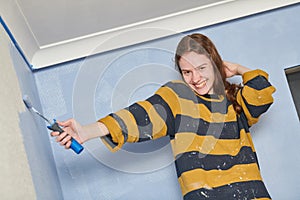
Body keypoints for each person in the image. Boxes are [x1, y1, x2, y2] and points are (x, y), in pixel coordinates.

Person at [51, 33, 276, 199]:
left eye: (202, 68)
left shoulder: (235, 102)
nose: (195, 78)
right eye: (187, 72)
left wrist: (236, 69)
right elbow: (137, 117)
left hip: (253, 194)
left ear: (216, 65)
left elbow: (263, 93)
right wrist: (86, 132)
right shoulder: (178, 97)